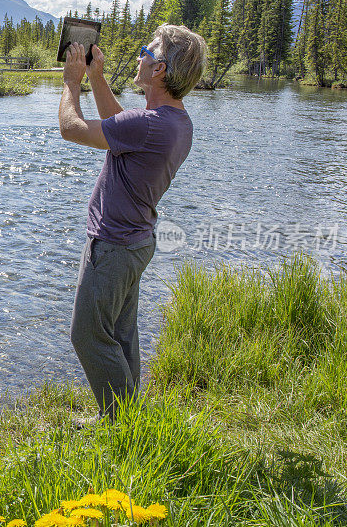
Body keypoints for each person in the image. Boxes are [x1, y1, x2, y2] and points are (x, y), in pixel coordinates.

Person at [58, 24, 207, 420]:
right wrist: (97, 77)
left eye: (147, 50)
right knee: (121, 333)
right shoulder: (174, 122)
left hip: (113, 245)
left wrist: (72, 82)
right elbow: (122, 129)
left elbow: (71, 129)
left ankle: (121, 422)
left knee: (88, 335)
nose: (140, 56)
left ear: (159, 70)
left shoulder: (149, 124)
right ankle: (123, 417)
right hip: (136, 241)